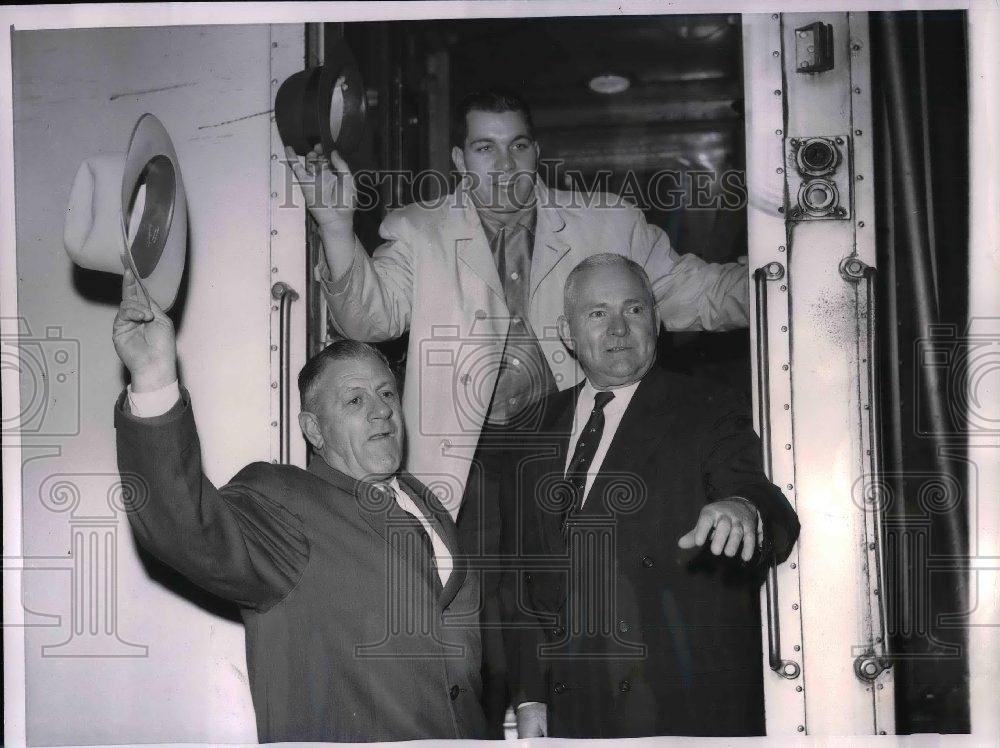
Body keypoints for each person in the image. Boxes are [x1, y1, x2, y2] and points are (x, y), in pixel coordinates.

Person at [112, 270, 488, 742]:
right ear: (313, 430)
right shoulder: (284, 502)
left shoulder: (428, 504)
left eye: (386, 393)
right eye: (354, 400)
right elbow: (184, 526)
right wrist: (153, 378)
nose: (381, 410)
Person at [505, 254, 800, 738]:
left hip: (678, 704)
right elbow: (518, 579)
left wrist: (744, 509)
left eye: (635, 310)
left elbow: (764, 500)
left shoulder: (706, 408)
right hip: (572, 710)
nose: (619, 328)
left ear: (656, 321)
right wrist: (531, 694)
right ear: (567, 332)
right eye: (598, 314)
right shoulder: (532, 427)